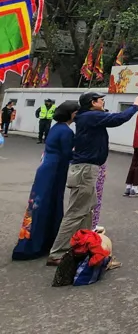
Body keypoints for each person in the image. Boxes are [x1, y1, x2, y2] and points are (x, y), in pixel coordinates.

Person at [47, 90, 138, 266]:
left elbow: (113, 117)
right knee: (76, 212)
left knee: (86, 210)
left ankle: (82, 245)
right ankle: (57, 253)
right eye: (101, 100)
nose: (103, 103)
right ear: (93, 103)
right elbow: (118, 119)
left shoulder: (89, 117)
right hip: (85, 170)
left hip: (88, 169)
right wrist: (135, 104)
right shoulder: (90, 117)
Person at [12, 101, 80, 260]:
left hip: (47, 168)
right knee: (47, 204)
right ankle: (38, 244)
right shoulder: (66, 131)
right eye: (76, 112)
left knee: (39, 203)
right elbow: (67, 154)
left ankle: (37, 241)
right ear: (71, 113)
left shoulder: (56, 127)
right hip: (54, 170)